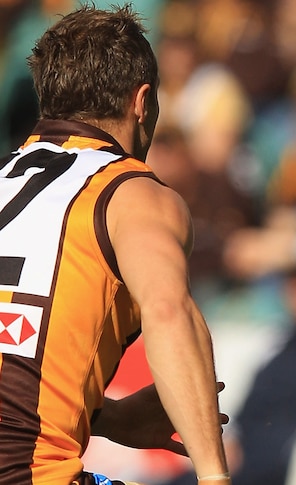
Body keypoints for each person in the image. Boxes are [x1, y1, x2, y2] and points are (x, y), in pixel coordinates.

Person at [0, 5, 231, 484]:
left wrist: (109, 418)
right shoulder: (131, 193)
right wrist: (214, 476)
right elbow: (169, 312)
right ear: (141, 101)